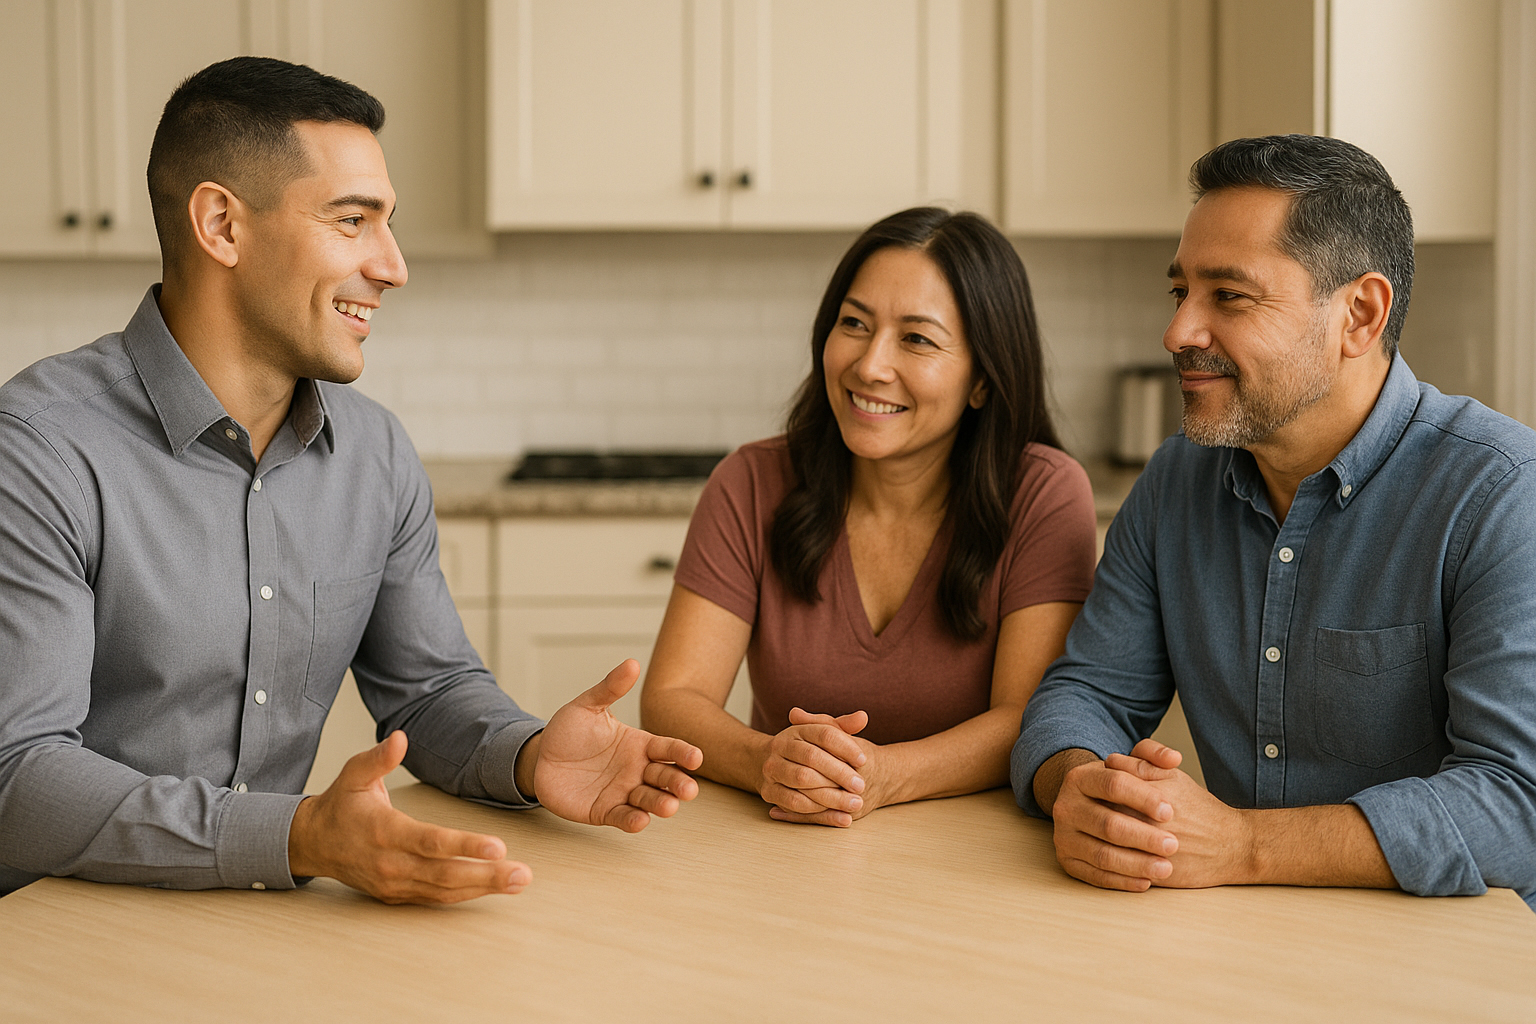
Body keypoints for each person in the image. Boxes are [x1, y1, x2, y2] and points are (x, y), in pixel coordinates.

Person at [0, 56, 703, 906]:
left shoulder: (375, 454)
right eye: (352, 221)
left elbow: (431, 692)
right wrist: (297, 836)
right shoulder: (41, 450)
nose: (394, 265)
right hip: (57, 931)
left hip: (264, 924)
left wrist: (525, 754)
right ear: (221, 225)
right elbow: (19, 776)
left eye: (388, 223)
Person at [1011, 134, 1536, 908]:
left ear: (1360, 314)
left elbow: (1516, 805)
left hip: (1444, 965)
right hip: (1235, 936)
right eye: (1180, 292)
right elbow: (1086, 693)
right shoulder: (1172, 483)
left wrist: (1242, 846)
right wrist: (1082, 785)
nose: (1179, 332)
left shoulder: (1499, 493)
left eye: (1228, 296)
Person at [641, 207, 1097, 826]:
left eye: (917, 338)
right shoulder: (750, 482)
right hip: (784, 840)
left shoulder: (1043, 494)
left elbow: (1029, 715)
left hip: (973, 854)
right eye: (854, 323)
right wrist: (765, 762)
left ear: (983, 381)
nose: (869, 365)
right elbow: (673, 698)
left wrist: (880, 777)